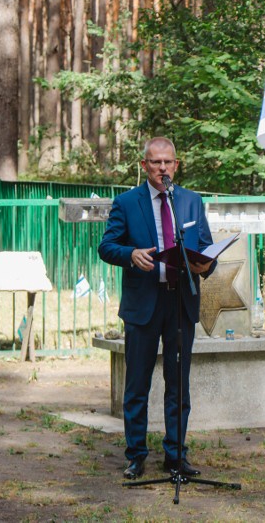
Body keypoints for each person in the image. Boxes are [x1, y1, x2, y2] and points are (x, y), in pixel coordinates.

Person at [98, 137, 215, 479]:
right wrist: (130, 255)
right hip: (144, 303)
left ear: (176, 165)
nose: (162, 168)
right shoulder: (127, 202)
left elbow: (207, 249)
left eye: (168, 162)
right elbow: (107, 247)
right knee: (137, 384)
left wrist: (205, 266)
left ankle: (176, 455)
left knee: (178, 383)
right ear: (144, 166)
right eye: (155, 163)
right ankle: (135, 455)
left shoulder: (191, 202)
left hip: (181, 302)